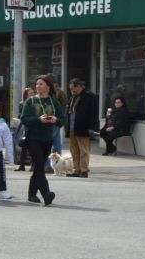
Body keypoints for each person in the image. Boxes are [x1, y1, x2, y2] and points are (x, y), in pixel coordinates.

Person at [20, 75, 65, 206]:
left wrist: (56, 120)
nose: (38, 86)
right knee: (39, 166)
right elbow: (24, 119)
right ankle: (46, 194)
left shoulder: (54, 101)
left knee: (38, 167)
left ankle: (32, 194)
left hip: (47, 138)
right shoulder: (31, 101)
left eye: (41, 84)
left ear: (48, 86)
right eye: (37, 84)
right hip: (33, 138)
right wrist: (39, 120)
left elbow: (62, 119)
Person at [66, 78, 98, 178]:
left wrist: (91, 127)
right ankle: (76, 169)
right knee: (74, 150)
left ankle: (84, 170)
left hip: (83, 126)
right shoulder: (73, 97)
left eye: (74, 88)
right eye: (71, 89)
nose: (72, 90)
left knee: (84, 149)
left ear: (79, 86)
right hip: (72, 126)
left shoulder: (89, 96)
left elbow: (94, 113)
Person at [15, 86, 35, 171]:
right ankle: (22, 165)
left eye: (33, 93)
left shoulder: (36, 102)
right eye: (30, 93)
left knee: (33, 146)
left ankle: (33, 165)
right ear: (26, 95)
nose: (32, 94)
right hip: (24, 126)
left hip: (33, 126)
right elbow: (21, 115)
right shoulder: (22, 103)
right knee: (24, 145)